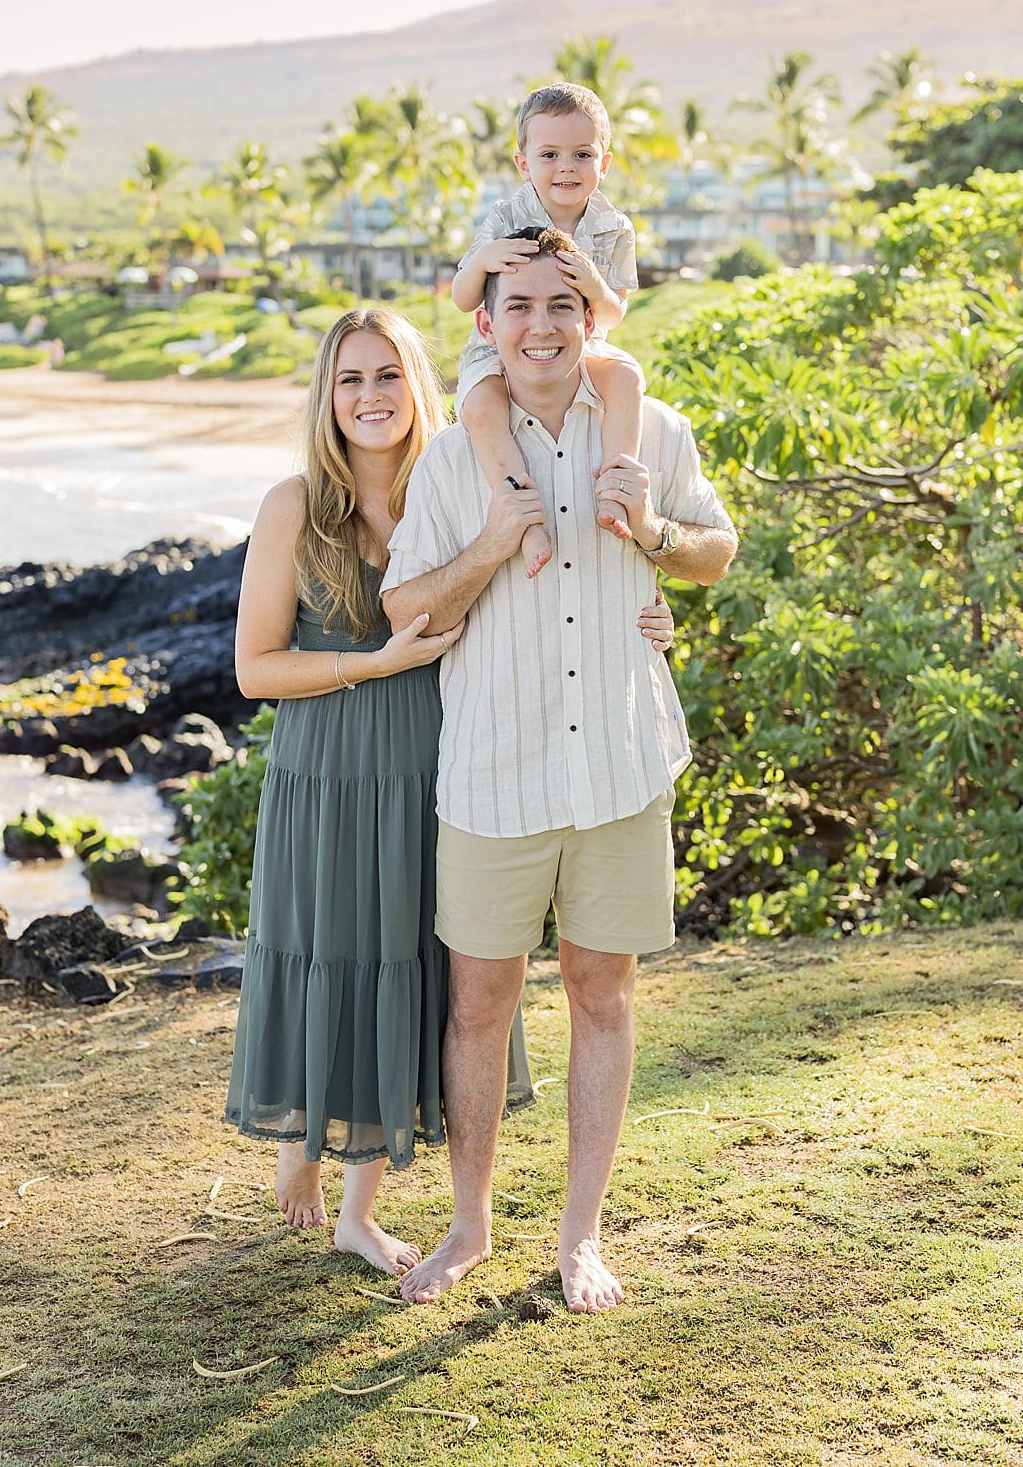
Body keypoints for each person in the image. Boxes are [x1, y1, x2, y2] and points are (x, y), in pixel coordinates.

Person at [224, 306, 675, 1277]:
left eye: (389, 374)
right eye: (351, 379)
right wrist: (374, 664)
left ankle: (358, 1210)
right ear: (327, 396)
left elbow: (561, 586)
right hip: (332, 765)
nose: (371, 396)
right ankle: (301, 1141)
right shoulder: (295, 504)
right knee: (332, 952)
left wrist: (650, 606)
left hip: (443, 757)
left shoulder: (459, 476)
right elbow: (255, 669)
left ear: (419, 385)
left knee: (405, 963)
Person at [383, 235, 738, 1311]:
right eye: (521, 307)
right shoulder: (454, 459)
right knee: (479, 1004)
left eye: (561, 305)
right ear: (486, 326)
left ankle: (581, 1237)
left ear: (590, 316)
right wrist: (494, 542)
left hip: (621, 763)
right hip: (494, 772)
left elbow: (717, 551)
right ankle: (470, 1228)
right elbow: (405, 608)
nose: (542, 325)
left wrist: (655, 529)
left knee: (602, 991)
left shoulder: (651, 430)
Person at [450, 82, 644, 579]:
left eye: (582, 154)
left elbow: (614, 314)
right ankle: (524, 520)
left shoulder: (615, 228)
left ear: (604, 163)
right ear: (524, 164)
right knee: (481, 407)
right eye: (550, 154)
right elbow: (463, 298)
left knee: (627, 378)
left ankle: (616, 492)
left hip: (580, 346)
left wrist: (595, 286)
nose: (566, 167)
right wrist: (485, 260)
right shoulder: (505, 217)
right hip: (499, 349)